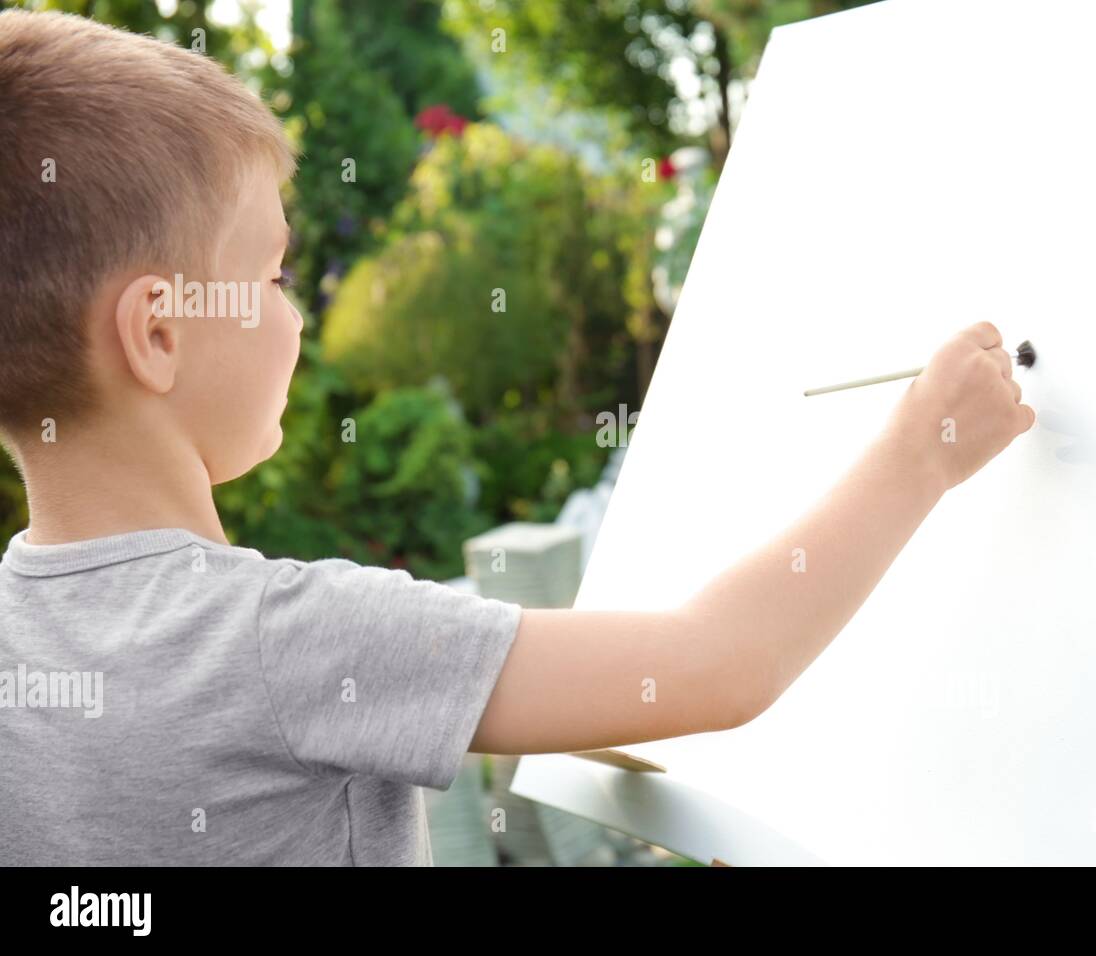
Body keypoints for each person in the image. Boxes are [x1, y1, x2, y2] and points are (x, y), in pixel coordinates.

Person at [0, 10, 1033, 864]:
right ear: (160, 331)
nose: (295, 312)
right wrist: (922, 451)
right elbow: (720, 664)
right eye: (272, 275)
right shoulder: (290, 640)